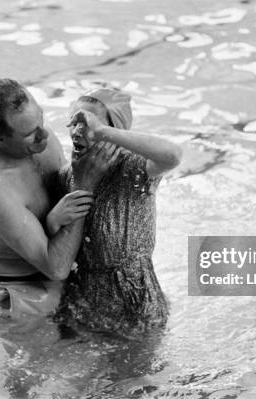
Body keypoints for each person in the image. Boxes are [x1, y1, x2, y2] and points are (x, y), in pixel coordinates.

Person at [0, 78, 115, 318]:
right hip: (15, 296)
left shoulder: (39, 137)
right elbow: (57, 267)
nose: (44, 135)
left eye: (41, 120)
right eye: (29, 133)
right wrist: (85, 186)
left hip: (58, 276)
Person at [55, 88, 183, 338]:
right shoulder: (69, 176)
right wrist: (52, 220)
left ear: (116, 132)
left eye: (89, 123)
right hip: (82, 305)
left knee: (137, 380)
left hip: (135, 305)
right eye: (74, 121)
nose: (77, 131)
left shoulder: (135, 171)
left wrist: (103, 132)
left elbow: (173, 155)